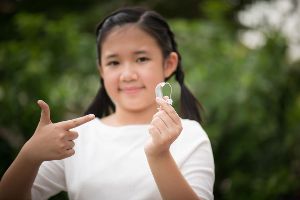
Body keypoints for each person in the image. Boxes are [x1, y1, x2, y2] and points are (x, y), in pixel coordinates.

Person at [0, 6, 215, 200]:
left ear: (169, 64)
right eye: (113, 62)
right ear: (101, 70)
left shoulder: (190, 136)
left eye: (141, 59)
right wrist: (29, 155)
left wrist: (159, 155)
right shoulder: (76, 137)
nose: (127, 75)